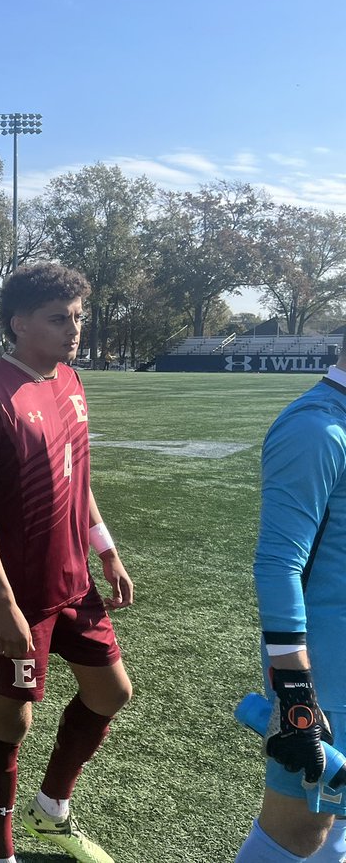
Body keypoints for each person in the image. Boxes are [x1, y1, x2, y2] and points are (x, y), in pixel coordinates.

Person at [0, 264, 134, 863]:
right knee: (11, 723)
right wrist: (1, 602)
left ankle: (50, 810)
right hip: (20, 592)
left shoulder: (72, 381)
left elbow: (78, 479)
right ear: (18, 323)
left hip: (74, 581)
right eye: (59, 318)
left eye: (77, 316)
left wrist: (106, 549)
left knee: (110, 693)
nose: (73, 329)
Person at [234, 350, 346, 863]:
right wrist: (296, 690)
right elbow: (278, 562)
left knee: (338, 819)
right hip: (326, 666)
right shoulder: (316, 429)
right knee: (300, 827)